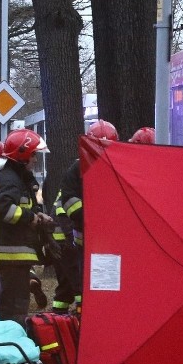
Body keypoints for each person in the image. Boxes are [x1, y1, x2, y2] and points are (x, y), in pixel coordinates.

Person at [0, 129, 51, 325]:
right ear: (22, 154)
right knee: (14, 307)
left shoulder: (15, 176)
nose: (35, 159)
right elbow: (4, 209)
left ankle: (12, 342)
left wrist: (36, 214)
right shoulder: (10, 178)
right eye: (33, 154)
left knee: (14, 304)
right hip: (11, 254)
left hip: (14, 254)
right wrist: (30, 217)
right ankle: (12, 343)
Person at [59, 119, 119, 316]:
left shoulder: (120, 166)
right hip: (86, 242)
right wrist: (95, 216)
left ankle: (108, 314)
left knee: (112, 284)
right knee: (88, 284)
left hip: (115, 243)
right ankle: (88, 318)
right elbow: (69, 202)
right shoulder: (76, 170)